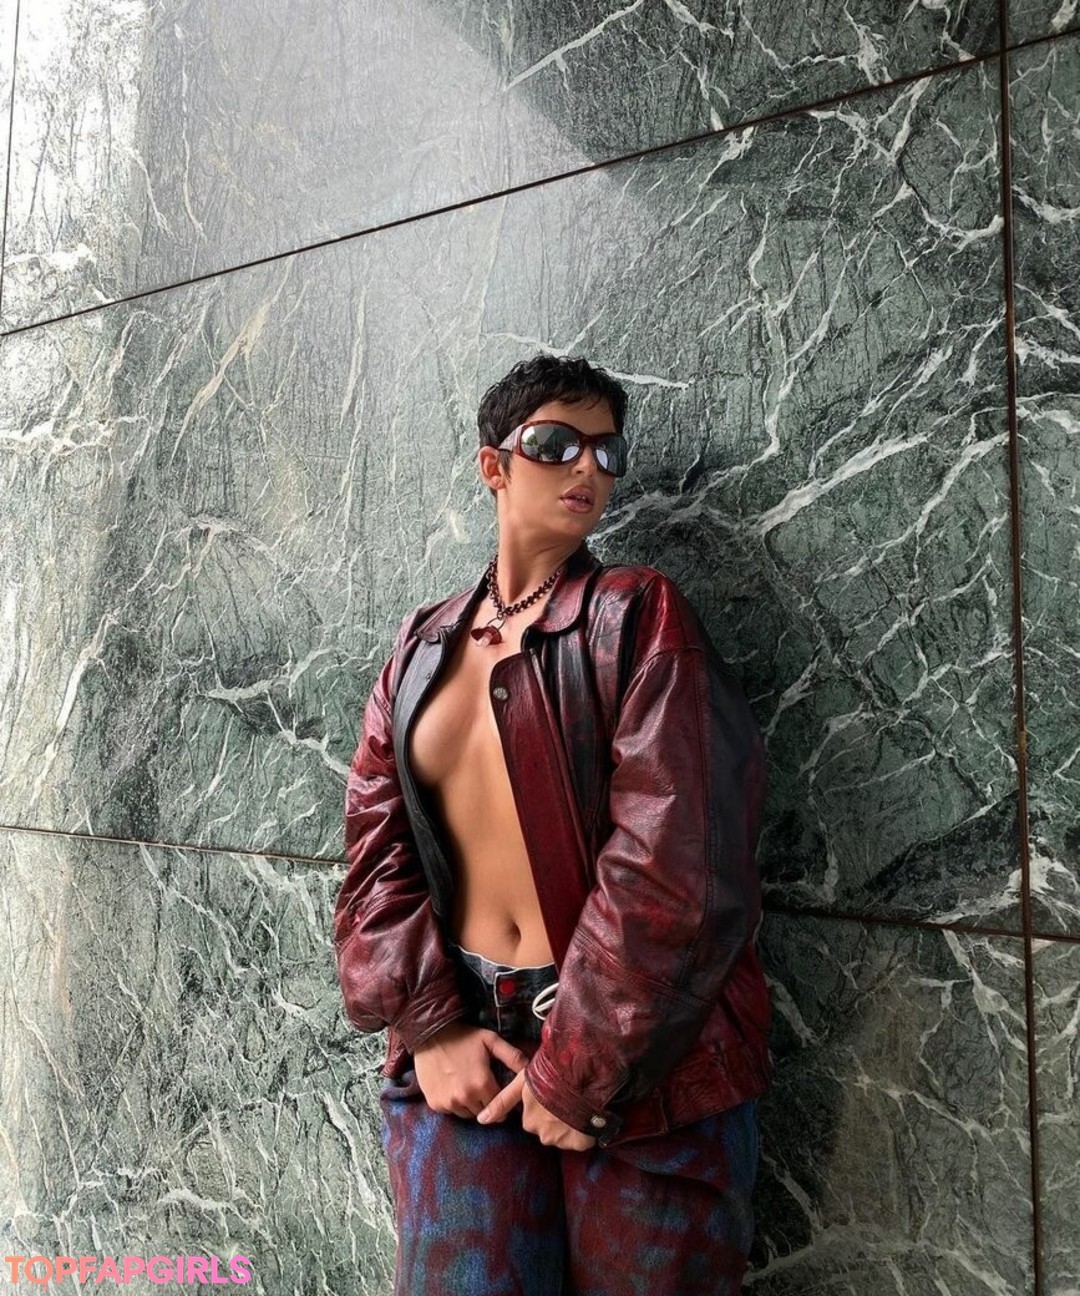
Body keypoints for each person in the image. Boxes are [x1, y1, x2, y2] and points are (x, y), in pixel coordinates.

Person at [333, 353, 771, 1296]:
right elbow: (374, 852)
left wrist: (579, 1066)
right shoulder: (420, 646)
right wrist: (429, 1026)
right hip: (465, 1049)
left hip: (640, 1059)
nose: (587, 468)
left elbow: (678, 867)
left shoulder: (637, 615)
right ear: (494, 465)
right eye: (556, 443)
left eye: (607, 453)